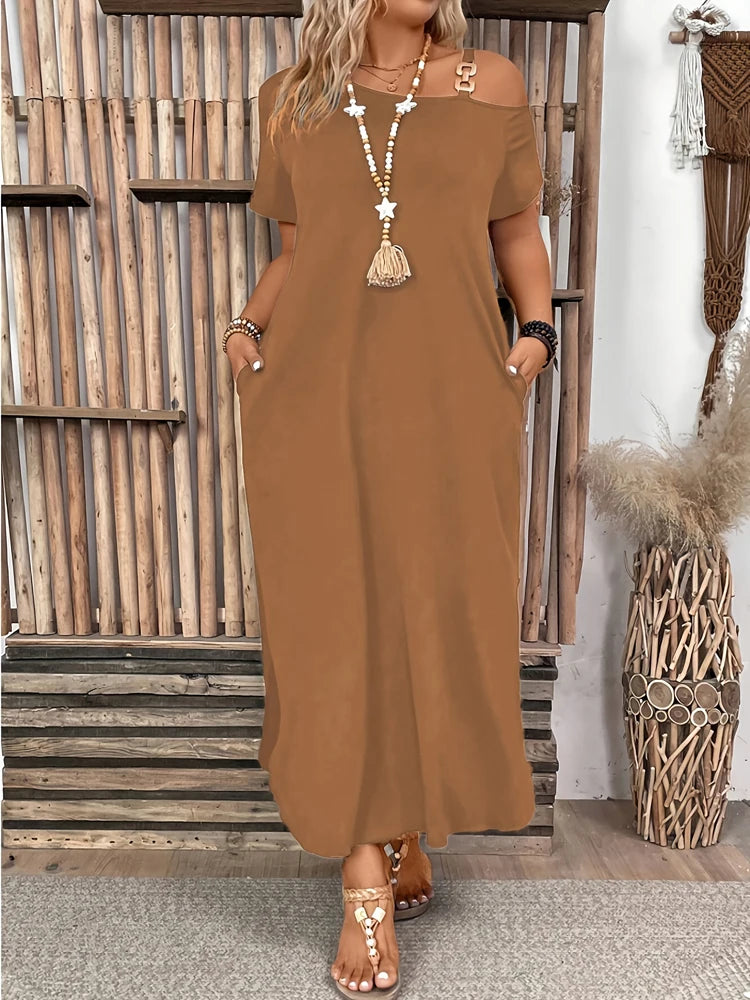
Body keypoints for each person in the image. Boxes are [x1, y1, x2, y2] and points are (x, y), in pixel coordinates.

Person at [222, 0, 555, 994]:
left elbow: (518, 232)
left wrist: (537, 335)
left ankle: (405, 819)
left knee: (439, 609)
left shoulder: (490, 84)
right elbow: (297, 252)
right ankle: (364, 867)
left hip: (452, 404)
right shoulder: (290, 100)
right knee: (337, 622)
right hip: (315, 402)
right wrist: (246, 326)